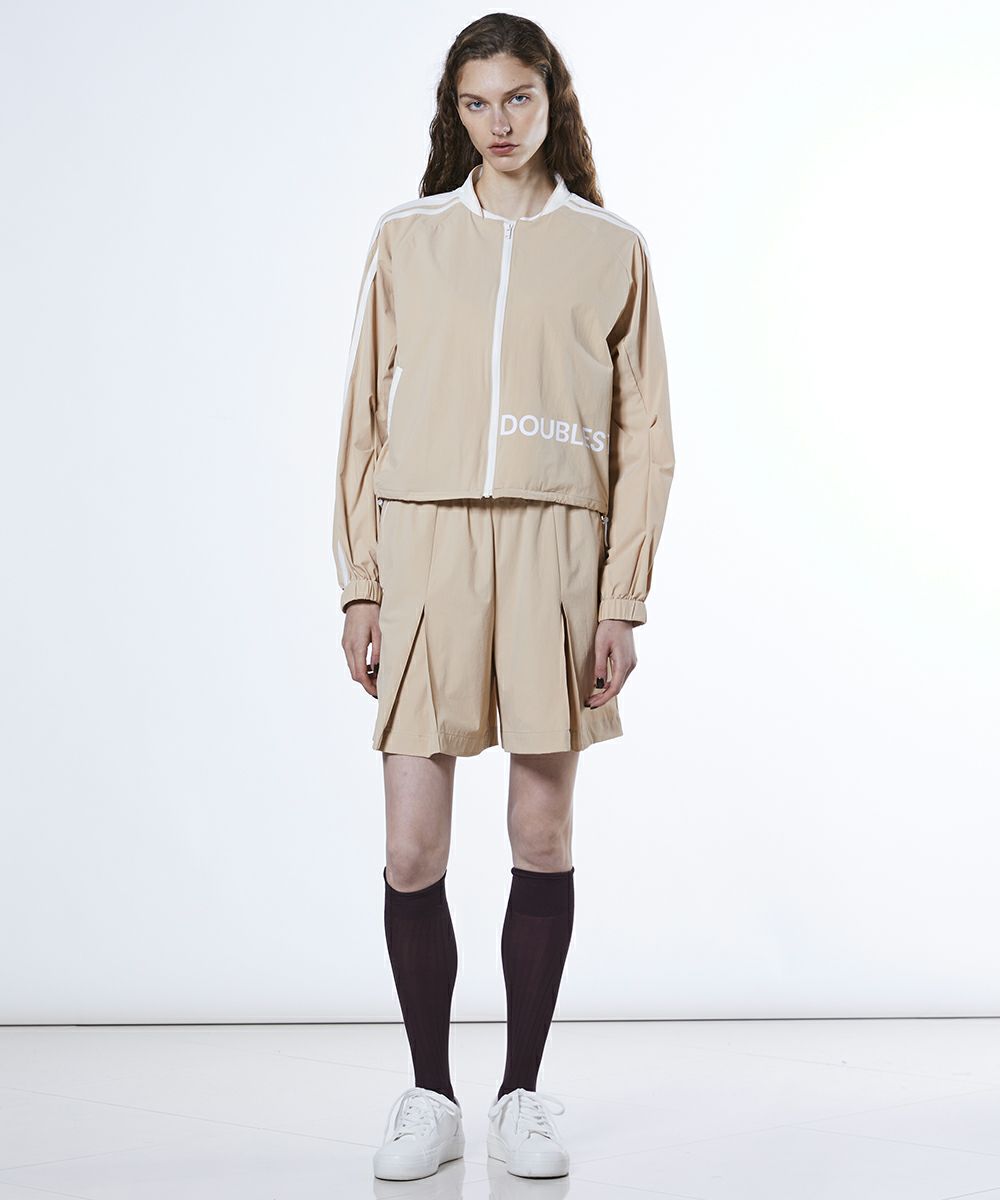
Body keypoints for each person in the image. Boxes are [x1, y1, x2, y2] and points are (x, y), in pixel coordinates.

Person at [332, 12, 676, 1183]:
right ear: (455, 112)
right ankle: (429, 1095)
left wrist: (621, 599)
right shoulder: (407, 238)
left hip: (553, 548)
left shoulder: (609, 248)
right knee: (411, 847)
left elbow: (645, 435)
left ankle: (519, 1092)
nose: (499, 123)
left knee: (540, 832)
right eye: (476, 103)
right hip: (424, 545)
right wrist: (360, 584)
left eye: (517, 98)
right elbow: (362, 421)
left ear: (550, 100)